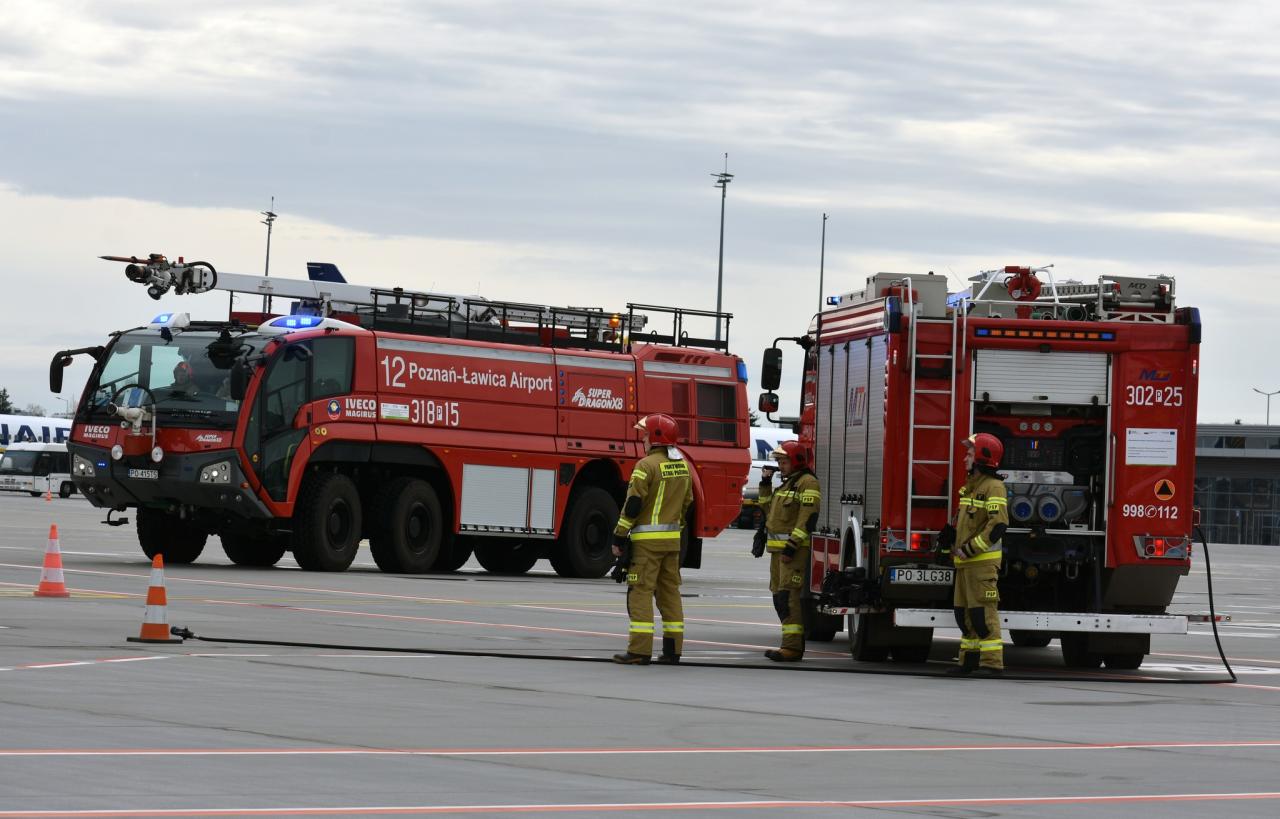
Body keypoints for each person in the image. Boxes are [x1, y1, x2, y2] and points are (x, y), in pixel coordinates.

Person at [611, 413, 693, 665]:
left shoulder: (645, 466)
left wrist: (619, 536)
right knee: (670, 594)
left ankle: (639, 650)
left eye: (645, 434)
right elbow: (687, 502)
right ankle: (672, 650)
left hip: (647, 544)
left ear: (656, 437)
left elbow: (633, 505)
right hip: (672, 542)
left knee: (640, 593)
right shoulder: (683, 466)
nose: (643, 438)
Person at [940, 432, 1009, 677]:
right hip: (965, 565)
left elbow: (998, 525)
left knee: (983, 615)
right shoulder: (970, 488)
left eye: (969, 454)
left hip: (981, 564)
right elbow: (968, 524)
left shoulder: (994, 488)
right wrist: (949, 540)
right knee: (964, 615)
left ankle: (991, 663)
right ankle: (968, 661)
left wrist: (969, 548)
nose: (964, 459)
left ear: (981, 458)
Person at [756, 440, 821, 662]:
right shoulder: (787, 485)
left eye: (784, 462)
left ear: (796, 461)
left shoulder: (807, 483)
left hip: (792, 552)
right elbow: (767, 509)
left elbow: (807, 519)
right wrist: (765, 483)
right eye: (779, 462)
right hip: (777, 552)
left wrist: (792, 546)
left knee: (788, 597)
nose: (780, 466)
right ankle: (790, 643)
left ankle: (792, 648)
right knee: (779, 597)